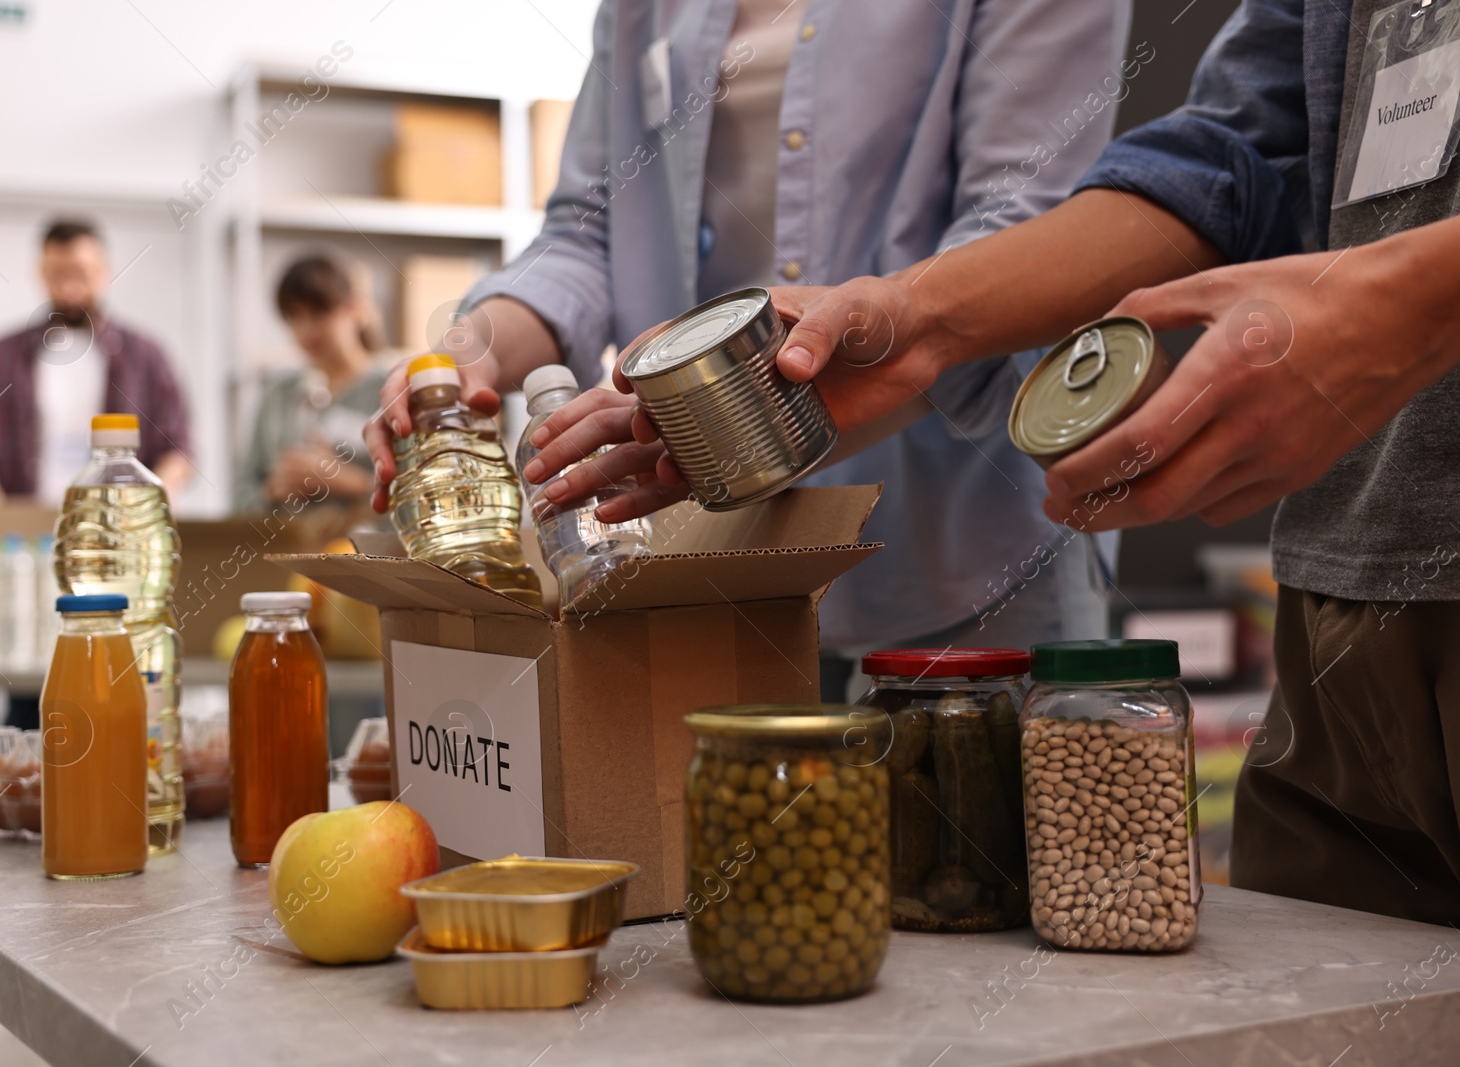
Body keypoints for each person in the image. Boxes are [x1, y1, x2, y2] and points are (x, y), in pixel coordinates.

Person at [535, 0, 1460, 922]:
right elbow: (1233, 155)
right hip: (1344, 594)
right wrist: (919, 324)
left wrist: (1417, 297)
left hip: (988, 571)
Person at [366, 0, 1134, 694]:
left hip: (962, 552)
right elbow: (587, 229)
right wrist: (471, 348)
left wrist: (749, 417)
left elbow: (1026, 231)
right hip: (708, 562)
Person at [0, 219, 194, 518]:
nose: (69, 287)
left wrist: (164, 490)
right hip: (24, 527)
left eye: (80, 274)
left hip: (118, 525)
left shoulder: (146, 356)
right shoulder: (4, 355)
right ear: (41, 274)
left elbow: (179, 448)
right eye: (58, 274)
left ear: (104, 271)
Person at [234, 254, 386, 516]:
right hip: (287, 550)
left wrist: (350, 482)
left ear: (355, 308)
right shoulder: (277, 396)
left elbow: (418, 498)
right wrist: (272, 491)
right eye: (294, 317)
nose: (306, 331)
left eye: (318, 314)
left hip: (364, 553)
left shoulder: (388, 392)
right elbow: (239, 498)